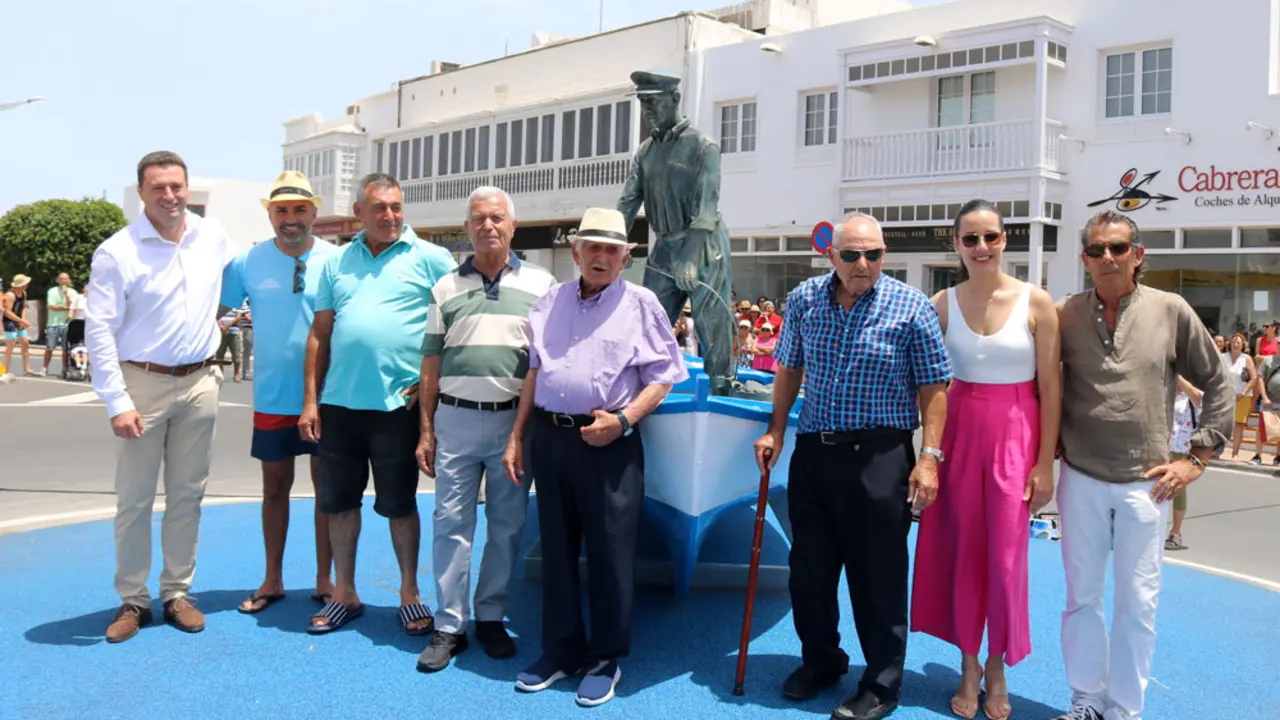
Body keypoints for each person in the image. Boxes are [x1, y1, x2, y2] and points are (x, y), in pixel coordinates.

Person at [755, 212, 952, 720]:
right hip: (816, 453)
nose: (863, 264)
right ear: (831, 255)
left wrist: (929, 457)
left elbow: (934, 387)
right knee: (810, 571)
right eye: (851, 254)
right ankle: (822, 660)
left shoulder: (911, 307)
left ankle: (882, 684)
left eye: (874, 254)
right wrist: (776, 428)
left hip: (881, 457)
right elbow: (790, 367)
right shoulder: (802, 300)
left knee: (878, 577)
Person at [501, 207, 687, 707]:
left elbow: (664, 376)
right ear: (576, 251)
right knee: (556, 551)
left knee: (609, 553)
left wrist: (624, 421)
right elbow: (534, 376)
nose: (601, 257)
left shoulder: (642, 303)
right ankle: (561, 652)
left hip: (610, 442)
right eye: (593, 248)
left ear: (626, 257)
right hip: (551, 439)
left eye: (612, 249)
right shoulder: (549, 302)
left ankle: (606, 658)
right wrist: (518, 436)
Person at [1053, 210, 1231, 720]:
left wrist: (1196, 459)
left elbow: (1218, 382)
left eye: (1117, 248)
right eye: (1095, 250)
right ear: (1084, 259)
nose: (1106, 257)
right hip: (1081, 477)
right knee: (1081, 599)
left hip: (1148, 483)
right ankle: (1087, 699)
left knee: (1138, 606)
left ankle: (1124, 710)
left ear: (1138, 255)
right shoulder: (1065, 313)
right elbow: (1041, 383)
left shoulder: (1171, 309)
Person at [909, 200, 1061, 720]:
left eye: (990, 237)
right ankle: (969, 664)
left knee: (1005, 560)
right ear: (956, 245)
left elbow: (1051, 388)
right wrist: (924, 456)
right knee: (962, 552)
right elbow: (926, 383)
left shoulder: (1037, 302)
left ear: (1004, 241)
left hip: (1017, 435)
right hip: (958, 436)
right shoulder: (941, 304)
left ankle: (997, 664)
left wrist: (1045, 463)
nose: (981, 247)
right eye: (970, 239)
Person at [85, 151, 234, 643]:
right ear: (141, 193)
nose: (169, 196)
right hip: (141, 384)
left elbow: (227, 291)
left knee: (189, 495)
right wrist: (117, 401)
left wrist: (218, 328)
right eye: (158, 188)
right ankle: (133, 599)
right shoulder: (117, 252)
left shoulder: (212, 238)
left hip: (199, 383)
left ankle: (176, 593)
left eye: (176, 186)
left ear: (187, 187)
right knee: (134, 499)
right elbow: (100, 333)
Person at [300, 173, 457, 635]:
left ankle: (409, 593)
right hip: (339, 406)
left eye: (396, 206)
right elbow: (319, 335)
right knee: (340, 504)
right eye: (379, 208)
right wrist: (311, 401)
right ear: (359, 213)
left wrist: (435, 381)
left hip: (398, 407)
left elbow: (459, 322)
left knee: (400, 504)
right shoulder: (336, 262)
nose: (390, 216)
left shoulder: (431, 258)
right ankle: (345, 593)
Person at [414, 186, 556, 672]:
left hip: (514, 426)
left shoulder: (543, 286)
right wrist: (426, 430)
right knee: (450, 523)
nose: (488, 226)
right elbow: (430, 362)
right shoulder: (445, 287)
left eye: (497, 218)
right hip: (454, 419)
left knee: (507, 524)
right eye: (479, 219)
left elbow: (544, 362)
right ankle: (449, 624)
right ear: (468, 227)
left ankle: (491, 615)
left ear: (513, 226)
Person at [222, 171, 338, 614]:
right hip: (272, 396)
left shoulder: (338, 259)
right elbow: (214, 309)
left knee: (327, 490)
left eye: (299, 209)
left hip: (328, 396)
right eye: (282, 210)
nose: (291, 219)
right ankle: (273, 578)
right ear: (270, 214)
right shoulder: (247, 261)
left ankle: (325, 580)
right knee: (274, 489)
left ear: (314, 212)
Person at [617, 70, 735, 394]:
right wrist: (612, 244)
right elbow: (627, 202)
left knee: (713, 322)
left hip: (703, 243)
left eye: (654, 102)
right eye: (643, 104)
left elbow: (706, 208)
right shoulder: (645, 152)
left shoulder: (702, 145)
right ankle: (642, 390)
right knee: (649, 321)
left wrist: (689, 258)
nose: (648, 111)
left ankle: (722, 387)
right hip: (664, 245)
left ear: (675, 99)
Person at [1166, 376, 1201, 550]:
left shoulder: (1193, 395)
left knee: (1178, 490)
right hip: (1162, 447)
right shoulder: (1167, 393)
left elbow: (1197, 396)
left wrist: (1178, 376)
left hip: (1182, 448)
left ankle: (1176, 532)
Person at [43, 272, 77, 376]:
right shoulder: (52, 291)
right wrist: (67, 308)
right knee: (50, 347)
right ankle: (45, 368)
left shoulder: (73, 292)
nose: (63, 281)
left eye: (65, 279)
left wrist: (66, 294)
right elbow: (52, 306)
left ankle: (65, 369)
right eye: (61, 279)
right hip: (53, 324)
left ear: (69, 280)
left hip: (67, 324)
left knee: (65, 349)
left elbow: (73, 305)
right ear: (58, 280)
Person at [3, 274, 35, 377]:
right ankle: (5, 369)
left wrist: (23, 320)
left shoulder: (23, 293)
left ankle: (27, 368)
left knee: (25, 342)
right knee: (11, 343)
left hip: (19, 320)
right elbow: (7, 312)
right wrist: (21, 320)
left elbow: (24, 307)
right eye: (26, 283)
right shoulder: (10, 295)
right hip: (9, 321)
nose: (27, 285)